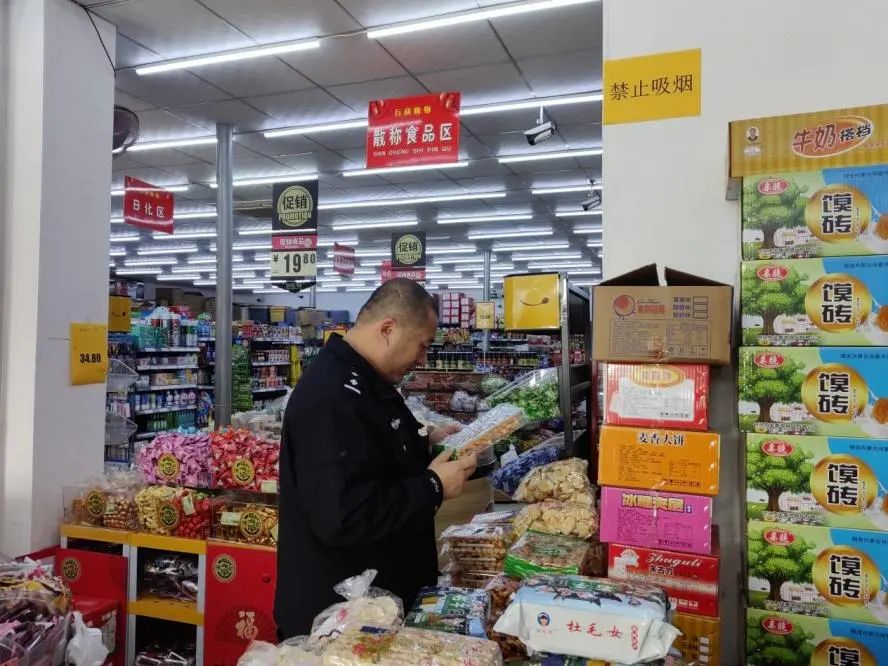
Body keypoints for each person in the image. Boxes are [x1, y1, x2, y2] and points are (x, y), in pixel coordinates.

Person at [274, 279, 478, 638]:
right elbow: (343, 516)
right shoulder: (331, 397)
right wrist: (433, 486)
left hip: (377, 607)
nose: (422, 359)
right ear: (388, 329)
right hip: (340, 622)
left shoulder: (367, 380)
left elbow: (373, 456)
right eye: (422, 345)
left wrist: (425, 442)